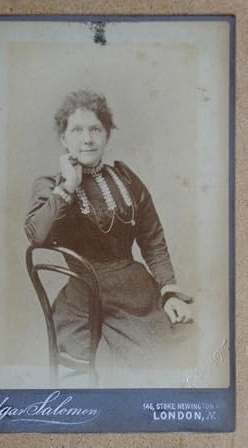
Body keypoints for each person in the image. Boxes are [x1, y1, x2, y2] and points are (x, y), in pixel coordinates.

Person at [24, 90, 193, 376]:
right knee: (140, 360)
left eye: (95, 129)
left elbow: (152, 239)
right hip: (87, 301)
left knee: (187, 342)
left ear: (107, 135)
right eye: (77, 130)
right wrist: (68, 186)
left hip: (138, 294)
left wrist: (170, 293)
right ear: (64, 139)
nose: (87, 139)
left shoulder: (126, 178)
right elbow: (37, 236)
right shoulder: (51, 185)